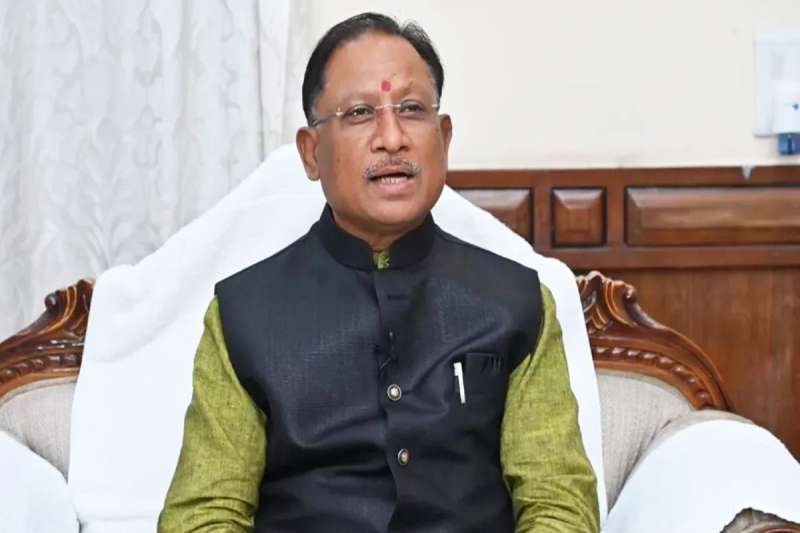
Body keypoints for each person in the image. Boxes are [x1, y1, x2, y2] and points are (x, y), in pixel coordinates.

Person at [158, 12, 599, 533]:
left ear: (443, 138)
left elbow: (558, 504)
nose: (392, 138)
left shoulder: (516, 303)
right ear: (311, 152)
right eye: (360, 113)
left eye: (411, 109)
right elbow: (205, 514)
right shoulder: (244, 315)